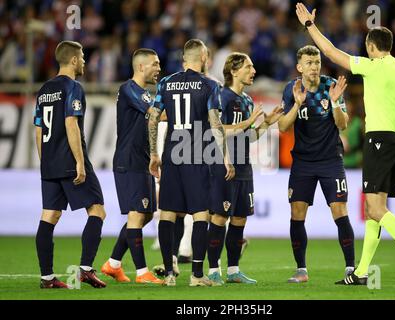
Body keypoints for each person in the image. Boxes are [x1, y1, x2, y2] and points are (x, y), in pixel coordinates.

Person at [295, 3, 395, 286]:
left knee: (377, 210)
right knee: (374, 209)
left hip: (379, 141)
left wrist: (309, 25)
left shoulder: (372, 67)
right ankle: (361, 272)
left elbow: (330, 52)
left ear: (371, 46)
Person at [148, 39, 235, 287]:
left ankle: (168, 274)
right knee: (200, 214)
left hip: (172, 153)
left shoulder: (166, 82)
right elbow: (216, 125)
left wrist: (154, 153)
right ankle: (197, 275)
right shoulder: (210, 85)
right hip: (197, 153)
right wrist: (225, 158)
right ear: (205, 57)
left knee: (167, 212)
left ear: (185, 58)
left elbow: (153, 119)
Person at [278, 45, 355, 283]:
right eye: (309, 63)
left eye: (317, 62)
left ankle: (351, 269)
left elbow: (342, 124)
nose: (314, 67)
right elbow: (282, 126)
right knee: (297, 212)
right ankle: (301, 270)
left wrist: (334, 103)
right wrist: (297, 105)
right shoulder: (291, 89)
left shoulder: (330, 85)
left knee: (339, 211)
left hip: (331, 160)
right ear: (299, 67)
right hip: (302, 162)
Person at [34, 40, 106, 289]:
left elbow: (38, 128)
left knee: (49, 215)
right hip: (69, 160)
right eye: (83, 56)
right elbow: (70, 123)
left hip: (50, 162)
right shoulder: (73, 87)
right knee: (97, 210)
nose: (85, 61)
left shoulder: (44, 89)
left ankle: (47, 277)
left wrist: (45, 162)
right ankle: (86, 269)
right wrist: (79, 162)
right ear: (74, 60)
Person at [207, 52, 283, 286]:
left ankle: (233, 270)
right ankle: (212, 272)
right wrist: (249, 122)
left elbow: (249, 136)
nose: (253, 71)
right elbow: (218, 130)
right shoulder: (221, 96)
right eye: (249, 67)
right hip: (223, 165)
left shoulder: (248, 101)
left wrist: (267, 123)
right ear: (234, 70)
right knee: (219, 218)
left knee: (239, 219)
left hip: (244, 168)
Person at [100, 48, 163, 285]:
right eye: (155, 64)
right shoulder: (130, 89)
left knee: (145, 215)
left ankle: (114, 263)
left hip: (143, 160)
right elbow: (158, 114)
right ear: (140, 66)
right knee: (137, 215)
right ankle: (142, 273)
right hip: (129, 161)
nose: (159, 68)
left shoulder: (143, 93)